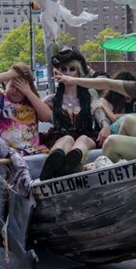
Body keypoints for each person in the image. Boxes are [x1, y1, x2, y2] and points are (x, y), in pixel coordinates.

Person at [39, 48, 110, 179]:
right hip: (61, 138)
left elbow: (98, 111)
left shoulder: (90, 94)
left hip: (86, 136)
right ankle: (51, 167)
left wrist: (105, 126)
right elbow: (34, 113)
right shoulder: (51, 100)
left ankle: (71, 165)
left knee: (82, 139)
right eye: (64, 69)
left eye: (72, 69)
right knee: (67, 139)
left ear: (79, 72)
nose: (67, 73)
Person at [0, 63, 51, 154]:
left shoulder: (32, 101)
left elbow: (47, 116)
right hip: (5, 153)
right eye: (13, 86)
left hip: (30, 153)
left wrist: (29, 93)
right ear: (6, 83)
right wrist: (11, 73)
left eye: (20, 88)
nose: (15, 91)